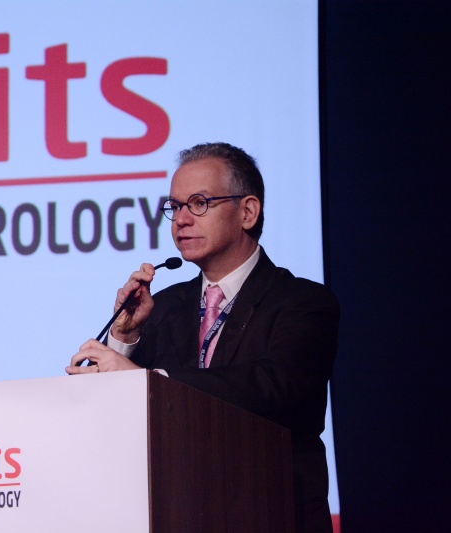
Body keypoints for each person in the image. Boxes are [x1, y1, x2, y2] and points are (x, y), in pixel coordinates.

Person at [66, 142, 339, 533]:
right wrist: (125, 338)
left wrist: (148, 381)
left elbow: (275, 387)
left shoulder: (303, 302)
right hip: (175, 516)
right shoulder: (161, 307)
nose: (181, 220)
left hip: (271, 515)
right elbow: (116, 424)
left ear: (247, 212)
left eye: (198, 203)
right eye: (174, 207)